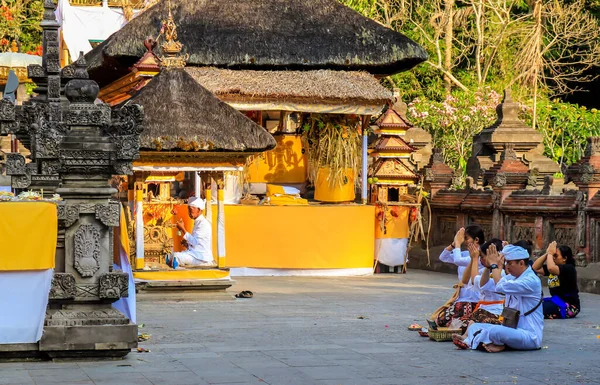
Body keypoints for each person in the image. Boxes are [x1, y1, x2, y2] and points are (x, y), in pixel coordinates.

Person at [454, 245, 543, 352]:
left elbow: (500, 286)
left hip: (529, 336)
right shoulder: (512, 278)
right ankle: (478, 342)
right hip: (512, 330)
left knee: (495, 331)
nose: (507, 266)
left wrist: (494, 266)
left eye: (510, 263)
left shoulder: (531, 281)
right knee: (475, 326)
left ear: (521, 263)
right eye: (506, 263)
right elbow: (484, 285)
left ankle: (472, 342)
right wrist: (488, 267)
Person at [433, 226, 485, 328]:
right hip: (462, 298)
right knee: (439, 319)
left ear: (477, 240)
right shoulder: (465, 254)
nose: (463, 241)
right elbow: (443, 257)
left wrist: (457, 244)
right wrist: (453, 244)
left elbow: (458, 260)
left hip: (474, 299)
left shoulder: (480, 256)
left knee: (448, 322)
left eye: (466, 238)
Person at [532, 241, 580, 319]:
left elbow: (551, 268)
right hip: (556, 301)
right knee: (531, 304)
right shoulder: (555, 267)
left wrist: (550, 254)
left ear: (565, 258)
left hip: (569, 306)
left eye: (556, 256)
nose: (553, 258)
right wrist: (547, 253)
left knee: (535, 309)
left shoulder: (569, 268)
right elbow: (535, 267)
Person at [165, 197, 215, 268]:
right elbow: (197, 244)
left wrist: (183, 229)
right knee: (170, 256)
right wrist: (187, 244)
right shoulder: (198, 222)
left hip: (201, 257)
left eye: (191, 210)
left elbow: (195, 242)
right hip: (194, 254)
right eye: (188, 210)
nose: (189, 213)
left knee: (176, 257)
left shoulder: (203, 224)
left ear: (199, 210)